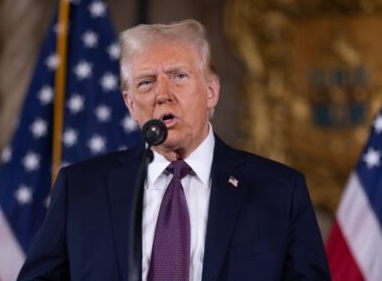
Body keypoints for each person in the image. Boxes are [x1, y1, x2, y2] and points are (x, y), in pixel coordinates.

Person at [17, 19, 331, 281]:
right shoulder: (81, 190)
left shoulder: (279, 191)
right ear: (130, 105)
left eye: (179, 76)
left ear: (211, 92)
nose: (162, 94)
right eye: (146, 83)